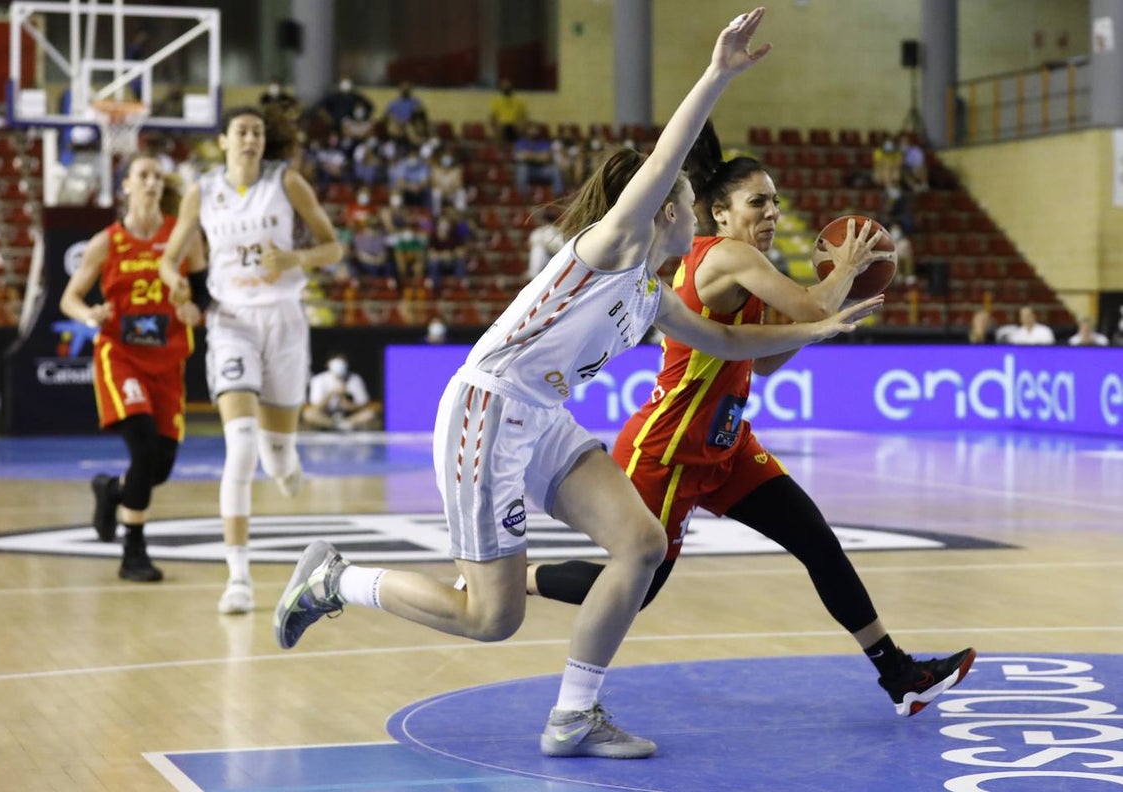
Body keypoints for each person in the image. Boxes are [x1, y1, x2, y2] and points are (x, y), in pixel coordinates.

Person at [273, 9, 882, 759]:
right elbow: (665, 156)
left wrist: (814, 328)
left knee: (641, 543)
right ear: (663, 210)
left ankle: (573, 717)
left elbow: (726, 340)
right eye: (690, 201)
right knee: (490, 618)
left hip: (541, 420)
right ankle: (338, 580)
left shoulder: (651, 295)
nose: (696, 207)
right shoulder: (612, 248)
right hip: (487, 413)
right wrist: (717, 73)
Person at [527, 118, 976, 719]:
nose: (771, 212)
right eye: (758, 201)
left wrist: (817, 323)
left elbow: (764, 363)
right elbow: (814, 305)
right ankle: (521, 577)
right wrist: (848, 264)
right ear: (718, 213)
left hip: (727, 444)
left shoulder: (747, 267)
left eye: (776, 202)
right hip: (670, 449)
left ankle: (899, 675)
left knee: (817, 541)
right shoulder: (725, 256)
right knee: (638, 586)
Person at [159, 106, 344, 614]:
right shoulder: (201, 190)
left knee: (277, 456)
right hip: (231, 320)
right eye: (240, 131)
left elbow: (333, 248)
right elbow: (167, 258)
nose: (249, 139)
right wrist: (175, 283)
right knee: (240, 446)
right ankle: (238, 576)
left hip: (284, 318)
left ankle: (287, 462)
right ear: (222, 140)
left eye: (257, 132)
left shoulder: (287, 183)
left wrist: (295, 259)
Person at [59, 156, 204, 582]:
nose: (152, 181)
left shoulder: (183, 237)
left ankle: (112, 490)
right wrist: (91, 316)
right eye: (143, 175)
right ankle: (133, 550)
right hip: (121, 355)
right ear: (125, 187)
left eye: (158, 176)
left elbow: (201, 292)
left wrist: (195, 308)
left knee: (159, 467)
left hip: (169, 357)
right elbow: (69, 298)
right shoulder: (107, 242)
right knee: (143, 449)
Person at [302, 352, 382, 431]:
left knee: (370, 414)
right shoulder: (319, 379)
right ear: (328, 363)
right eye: (336, 362)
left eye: (342, 361)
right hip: (326, 416)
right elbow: (316, 406)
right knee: (309, 414)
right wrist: (332, 393)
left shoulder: (355, 379)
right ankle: (334, 426)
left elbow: (363, 404)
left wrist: (349, 406)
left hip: (349, 417)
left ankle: (344, 425)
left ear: (347, 364)